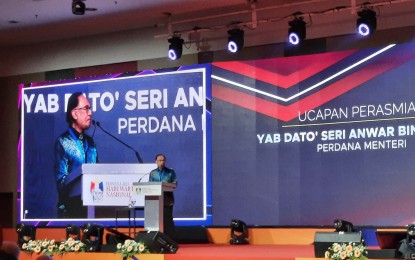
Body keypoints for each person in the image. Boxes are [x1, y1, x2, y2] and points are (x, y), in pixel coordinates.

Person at [54, 92, 98, 218]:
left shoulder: (91, 143)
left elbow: (98, 173)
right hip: (69, 213)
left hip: (91, 210)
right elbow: (61, 183)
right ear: (74, 113)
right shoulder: (62, 142)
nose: (90, 113)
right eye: (86, 109)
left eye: (90, 109)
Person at [149, 154, 177, 238]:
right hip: (156, 201)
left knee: (167, 221)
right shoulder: (152, 173)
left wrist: (165, 185)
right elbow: (150, 186)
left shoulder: (170, 171)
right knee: (156, 221)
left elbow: (175, 184)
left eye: (163, 160)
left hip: (167, 201)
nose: (162, 162)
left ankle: (171, 239)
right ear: (156, 162)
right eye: (160, 160)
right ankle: (156, 239)